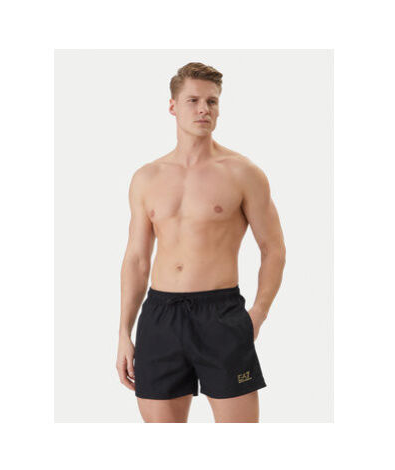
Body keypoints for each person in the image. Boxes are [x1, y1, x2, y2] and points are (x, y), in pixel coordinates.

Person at [116, 62, 286, 423]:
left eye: (212, 101)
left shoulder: (242, 172)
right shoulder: (146, 177)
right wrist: (123, 334)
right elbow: (136, 260)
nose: (203, 109)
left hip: (221, 314)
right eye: (193, 100)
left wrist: (257, 314)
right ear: (173, 106)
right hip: (160, 316)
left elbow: (273, 249)